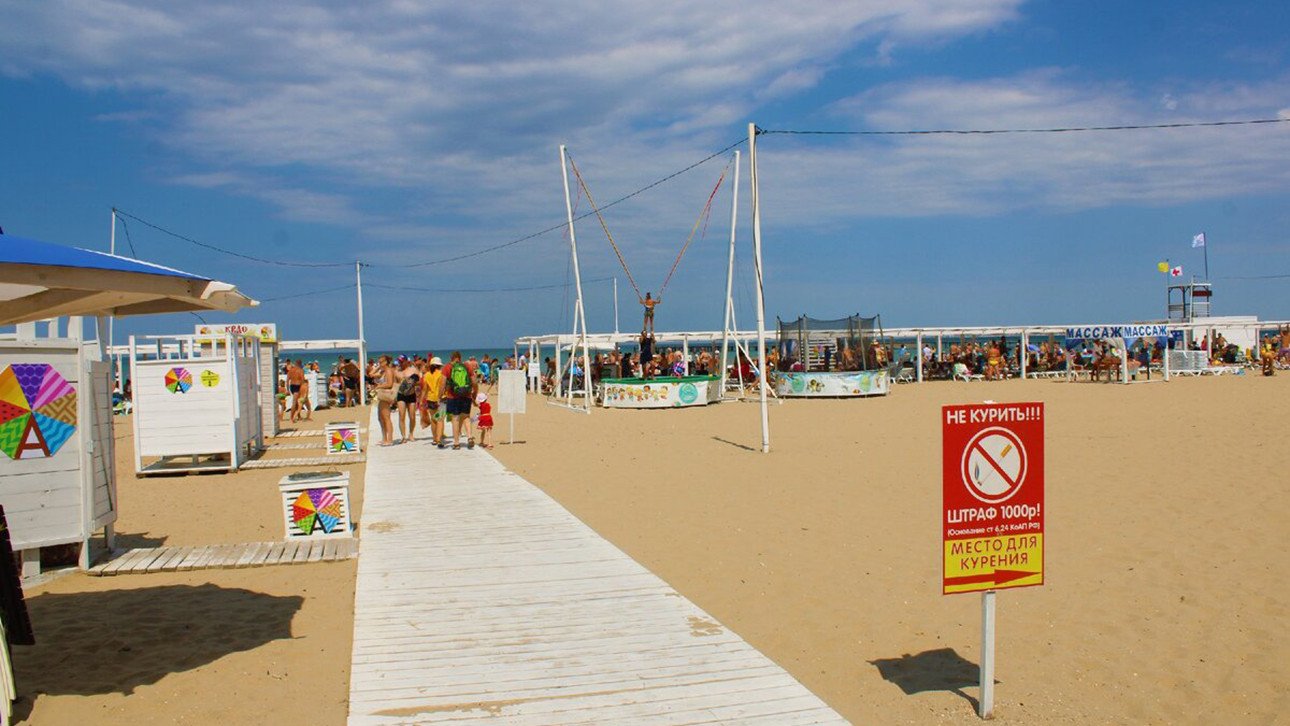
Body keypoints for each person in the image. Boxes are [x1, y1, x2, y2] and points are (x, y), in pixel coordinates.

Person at [440, 351, 476, 450]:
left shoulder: (447, 367)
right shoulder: (467, 366)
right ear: (460, 357)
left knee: (455, 419)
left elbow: (442, 384)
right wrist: (474, 394)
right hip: (466, 395)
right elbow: (474, 381)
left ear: (451, 358)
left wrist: (440, 396)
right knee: (466, 417)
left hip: (453, 396)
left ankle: (456, 443)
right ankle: (469, 437)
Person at [394, 357, 420, 443]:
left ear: (406, 361)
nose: (400, 363)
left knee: (412, 416)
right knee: (401, 415)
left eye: (401, 361)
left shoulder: (413, 370)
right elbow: (395, 384)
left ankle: (411, 434)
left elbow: (420, 381)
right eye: (399, 361)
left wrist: (412, 382)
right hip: (401, 395)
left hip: (411, 395)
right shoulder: (397, 371)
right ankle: (403, 436)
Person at [373, 355, 397, 446]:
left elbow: (390, 384)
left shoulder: (389, 371)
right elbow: (371, 374)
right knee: (381, 418)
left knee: (386, 417)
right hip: (382, 395)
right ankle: (384, 438)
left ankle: (389, 439)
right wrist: (378, 367)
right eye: (379, 362)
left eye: (381, 362)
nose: (380, 363)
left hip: (386, 395)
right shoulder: (383, 371)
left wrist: (379, 386)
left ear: (386, 362)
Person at [422, 357, 445, 444]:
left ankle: (435, 439)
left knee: (433, 420)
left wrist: (421, 400)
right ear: (439, 366)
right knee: (440, 419)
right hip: (441, 398)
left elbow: (425, 389)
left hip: (430, 398)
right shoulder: (442, 373)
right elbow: (443, 387)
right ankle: (439, 439)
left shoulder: (427, 375)